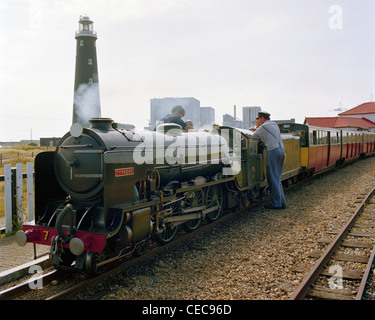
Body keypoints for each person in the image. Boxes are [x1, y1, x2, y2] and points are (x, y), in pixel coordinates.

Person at [252, 111, 286, 210]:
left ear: (262, 118)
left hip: (273, 152)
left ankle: (277, 204)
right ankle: (282, 202)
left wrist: (255, 129)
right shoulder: (274, 124)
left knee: (272, 179)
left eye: (259, 119)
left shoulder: (264, 126)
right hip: (281, 151)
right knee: (277, 178)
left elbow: (253, 136)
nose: (259, 121)